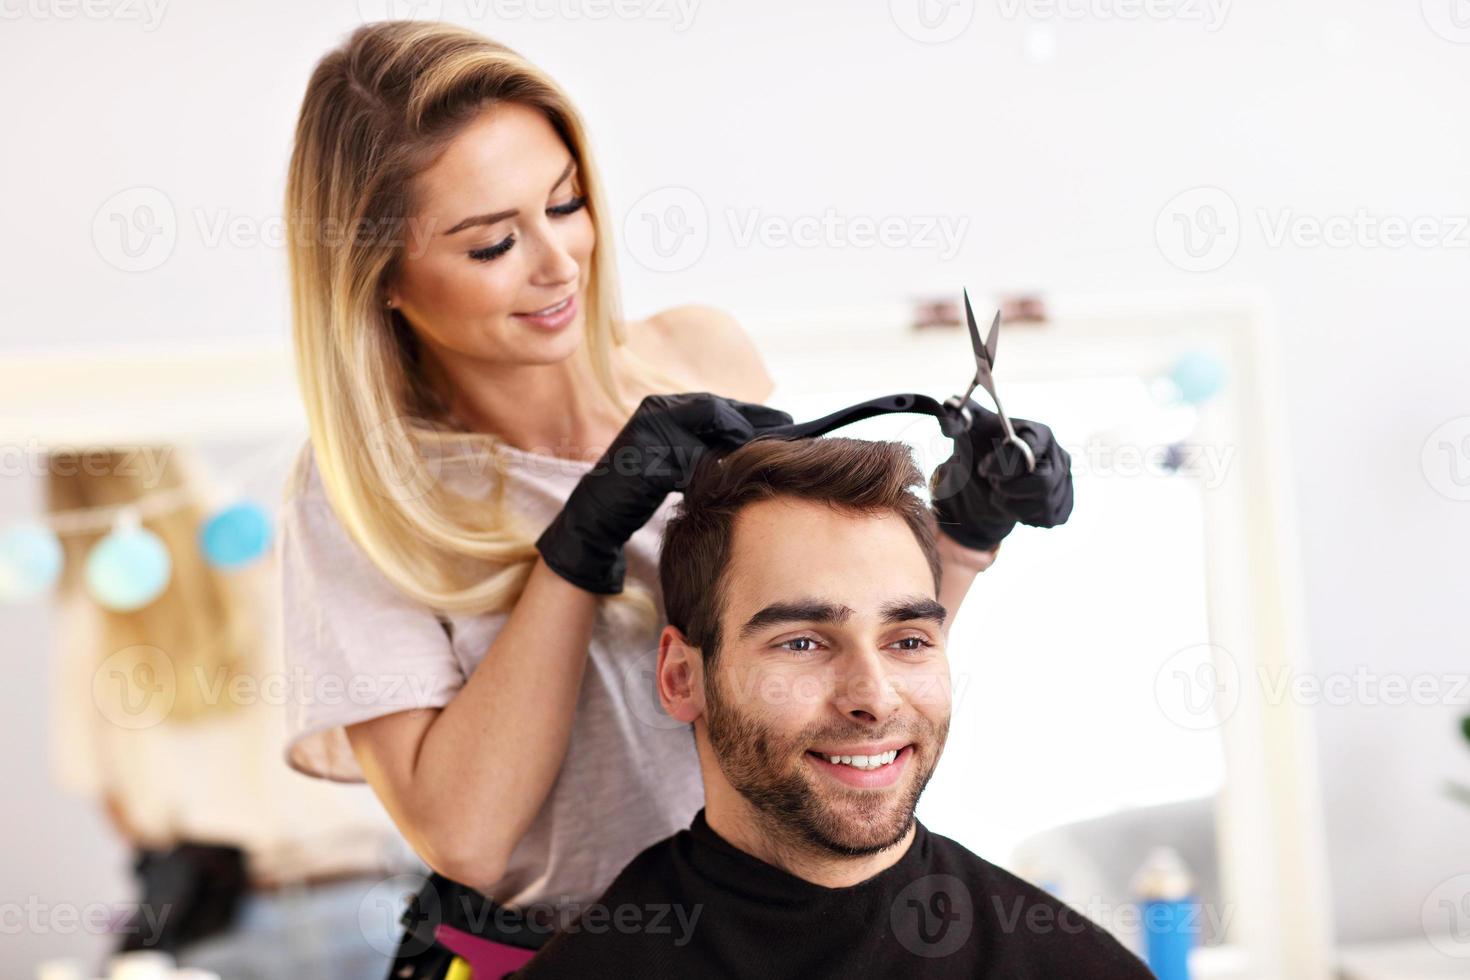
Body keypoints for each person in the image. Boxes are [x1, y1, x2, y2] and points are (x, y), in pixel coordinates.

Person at [278, 20, 1073, 977]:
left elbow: (821, 652)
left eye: (565, 203)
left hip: (769, 935)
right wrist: (584, 538)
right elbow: (470, 838)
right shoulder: (365, 493)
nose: (558, 262)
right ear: (384, 279)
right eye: (493, 243)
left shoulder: (701, 353)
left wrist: (970, 529)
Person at [513, 436, 1139, 978]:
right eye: (804, 642)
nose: (873, 697)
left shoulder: (1074, 965)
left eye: (909, 640)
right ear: (682, 678)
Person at [46, 446, 413, 978]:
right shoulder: (281, 562)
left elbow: (113, 800)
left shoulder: (88, 623)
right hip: (369, 900)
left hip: (224, 919)